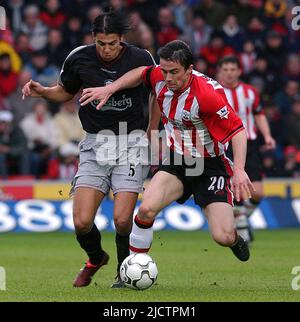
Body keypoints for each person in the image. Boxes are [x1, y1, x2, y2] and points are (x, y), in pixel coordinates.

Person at [79, 40, 255, 263]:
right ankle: (133, 267)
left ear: (189, 70)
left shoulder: (207, 95)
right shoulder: (160, 77)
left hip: (211, 165)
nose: (168, 78)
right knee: (145, 211)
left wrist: (239, 169)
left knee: (223, 236)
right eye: (164, 71)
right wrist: (111, 88)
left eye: (174, 72)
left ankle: (235, 239)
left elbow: (238, 130)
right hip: (178, 159)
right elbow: (142, 72)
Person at [22, 11, 156, 288]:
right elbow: (65, 91)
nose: (106, 49)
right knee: (82, 222)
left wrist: (152, 131)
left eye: (112, 43)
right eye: (100, 43)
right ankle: (96, 258)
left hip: (131, 142)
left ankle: (124, 273)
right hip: (95, 143)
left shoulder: (141, 58)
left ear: (122, 39)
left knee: (121, 219)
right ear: (93, 38)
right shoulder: (79, 57)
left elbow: (158, 92)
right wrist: (44, 92)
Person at [217, 55, 276, 243]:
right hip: (225, 146)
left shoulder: (251, 92)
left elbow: (259, 115)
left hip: (249, 145)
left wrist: (267, 136)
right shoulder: (214, 91)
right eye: (225, 69)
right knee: (235, 190)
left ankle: (240, 219)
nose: (229, 73)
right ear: (220, 71)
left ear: (239, 71)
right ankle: (240, 228)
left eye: (232, 69)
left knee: (258, 192)